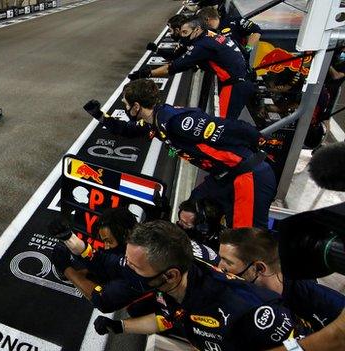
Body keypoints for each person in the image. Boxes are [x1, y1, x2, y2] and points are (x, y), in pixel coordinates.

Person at [93, 220, 306, 350]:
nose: (126, 270)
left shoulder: (247, 309)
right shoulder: (171, 284)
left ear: (170, 275)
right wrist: (121, 326)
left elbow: (300, 347)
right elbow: (169, 318)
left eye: (134, 267)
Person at [98, 79, 275, 228]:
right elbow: (129, 130)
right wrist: (101, 117)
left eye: (126, 104)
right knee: (189, 209)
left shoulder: (177, 122)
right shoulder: (156, 121)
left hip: (247, 175)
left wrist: (261, 142)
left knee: (246, 241)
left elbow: (230, 127)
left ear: (136, 106)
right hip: (224, 176)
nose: (125, 107)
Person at [49, 208, 218, 314]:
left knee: (137, 308)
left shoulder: (145, 267)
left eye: (109, 241)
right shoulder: (153, 235)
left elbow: (103, 300)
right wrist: (70, 239)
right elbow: (108, 260)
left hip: (203, 308)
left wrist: (66, 269)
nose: (105, 247)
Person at [218, 227, 345, 332]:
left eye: (227, 262)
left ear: (259, 268)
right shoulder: (235, 292)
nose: (219, 267)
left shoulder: (330, 307)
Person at [130, 16, 253, 120]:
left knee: (222, 124)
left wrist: (148, 73)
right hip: (241, 79)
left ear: (197, 30)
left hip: (234, 85)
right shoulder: (209, 35)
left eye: (185, 32)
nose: (182, 36)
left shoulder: (202, 45)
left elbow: (174, 67)